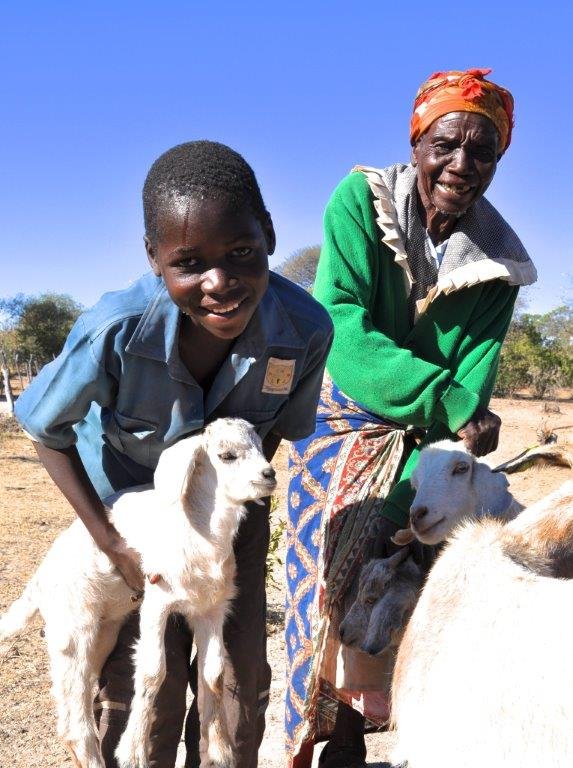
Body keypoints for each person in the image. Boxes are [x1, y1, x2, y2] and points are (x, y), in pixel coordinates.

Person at [14, 140, 333, 768]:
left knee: (237, 676)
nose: (220, 283)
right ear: (154, 257)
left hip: (232, 516)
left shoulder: (304, 329)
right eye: (189, 263)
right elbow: (46, 430)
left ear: (268, 234)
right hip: (133, 523)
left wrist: (225, 516)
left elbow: (275, 437)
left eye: (243, 253)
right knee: (143, 686)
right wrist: (111, 543)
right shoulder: (117, 327)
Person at [285, 69, 537, 768]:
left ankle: (372, 734)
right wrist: (452, 402)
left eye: (480, 153)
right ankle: (313, 739)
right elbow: (340, 323)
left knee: (406, 585)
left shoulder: (498, 264)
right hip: (341, 419)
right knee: (319, 593)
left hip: (427, 442)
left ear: (496, 162)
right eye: (445, 144)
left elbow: (474, 376)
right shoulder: (361, 201)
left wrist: (457, 419)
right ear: (417, 141)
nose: (460, 165)